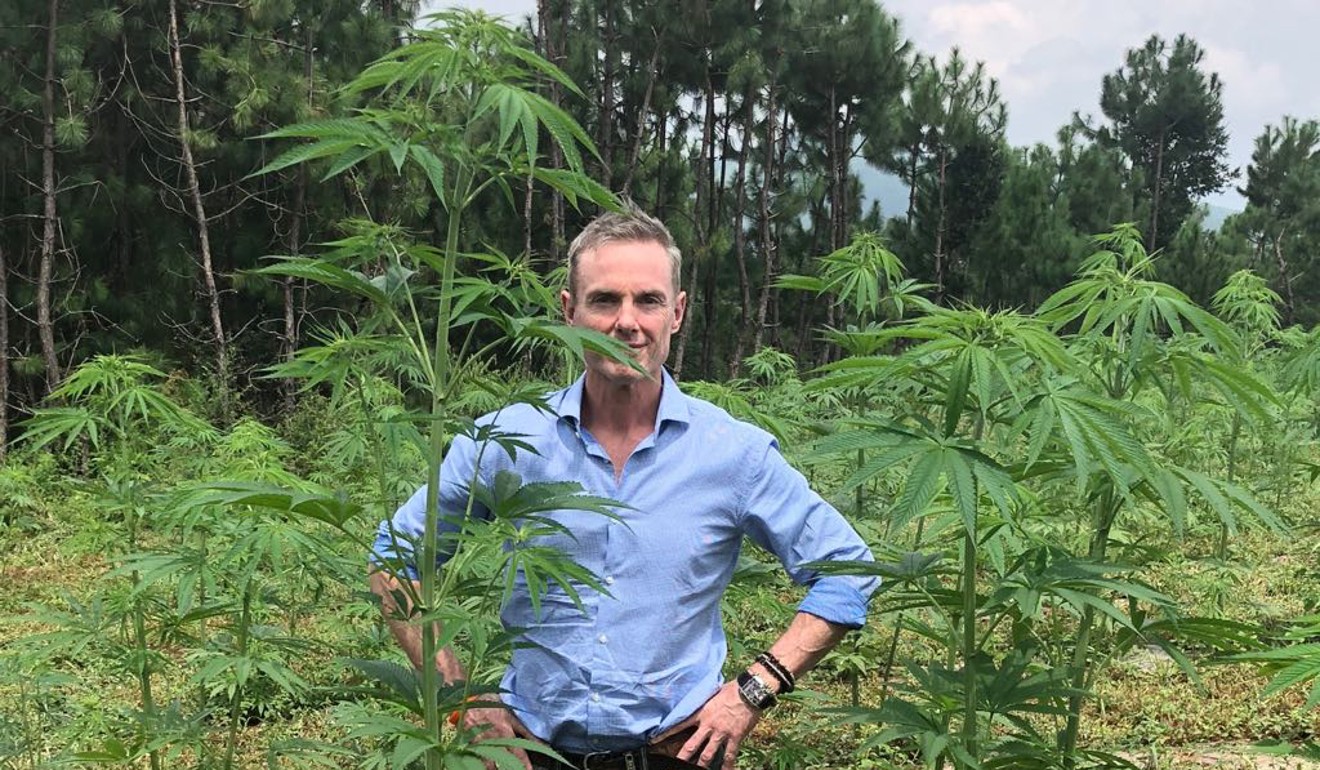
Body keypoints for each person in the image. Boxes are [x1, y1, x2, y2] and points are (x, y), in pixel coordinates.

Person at [370, 208, 878, 770]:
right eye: (605, 300)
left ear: (677, 313)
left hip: (676, 752)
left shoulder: (734, 453)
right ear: (569, 312)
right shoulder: (508, 441)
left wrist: (752, 691)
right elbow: (395, 556)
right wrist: (459, 698)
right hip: (525, 752)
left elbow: (847, 569)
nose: (627, 322)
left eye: (649, 301)